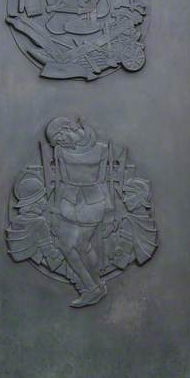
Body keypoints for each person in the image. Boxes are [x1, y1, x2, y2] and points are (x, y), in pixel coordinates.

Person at [45, 116, 112, 307]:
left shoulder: (101, 150)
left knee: (82, 245)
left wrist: (109, 212)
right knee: (64, 245)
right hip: (69, 200)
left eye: (59, 138)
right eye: (56, 142)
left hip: (92, 202)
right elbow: (62, 181)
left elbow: (102, 181)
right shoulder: (60, 151)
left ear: (68, 128)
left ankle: (96, 287)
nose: (60, 143)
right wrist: (55, 208)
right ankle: (92, 287)